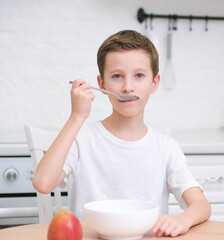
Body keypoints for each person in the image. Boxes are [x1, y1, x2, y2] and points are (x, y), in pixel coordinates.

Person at [32, 30, 211, 237]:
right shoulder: (82, 137)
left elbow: (201, 205)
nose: (127, 87)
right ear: (101, 84)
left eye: (139, 76)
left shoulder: (166, 147)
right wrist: (76, 116)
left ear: (154, 82)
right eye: (117, 76)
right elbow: (43, 183)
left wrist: (183, 219)